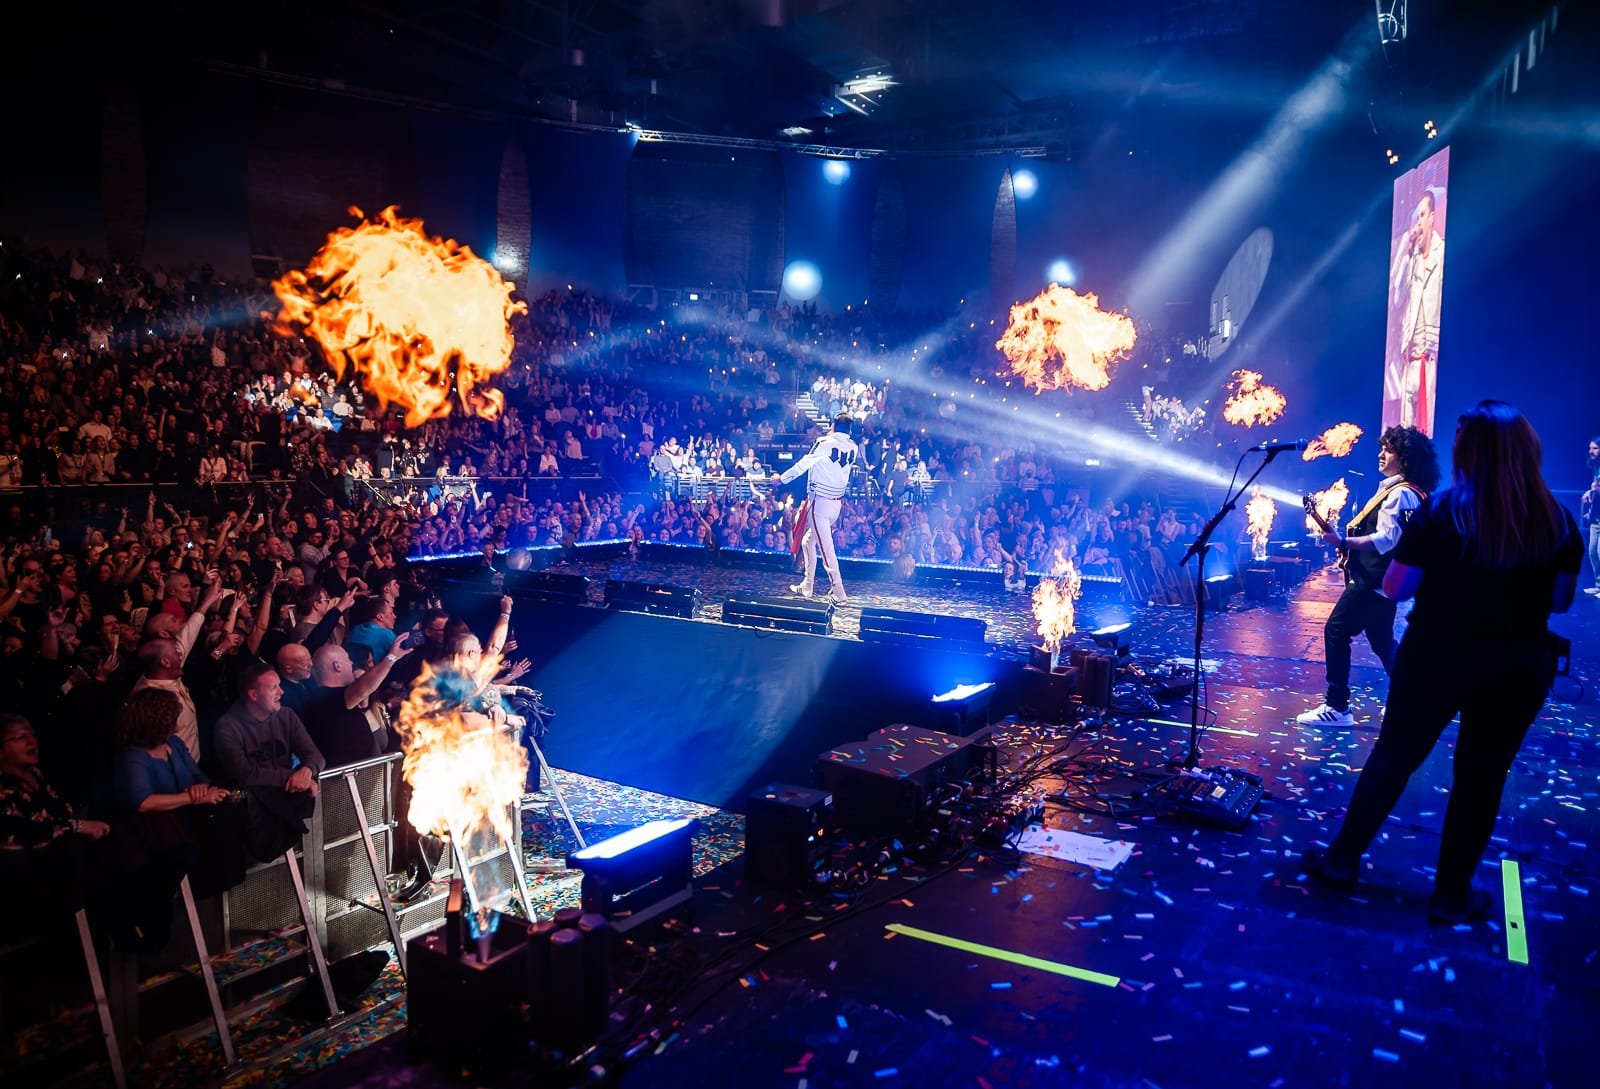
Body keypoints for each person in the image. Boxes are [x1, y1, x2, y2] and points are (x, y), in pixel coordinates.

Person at [1301, 402, 1580, 923]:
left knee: (1394, 756)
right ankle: (1450, 896)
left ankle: (1342, 862)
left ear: (1467, 453)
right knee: (1481, 775)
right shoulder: (1556, 519)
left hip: (1438, 655)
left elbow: (1396, 585)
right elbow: (1562, 599)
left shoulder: (1446, 510)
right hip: (1517, 666)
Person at [1297, 425, 1439, 727]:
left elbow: (1387, 539)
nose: (1380, 454)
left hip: (1374, 581)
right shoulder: (1408, 491)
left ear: (1403, 456)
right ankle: (1410, 700)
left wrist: (1344, 543)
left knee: (1336, 630)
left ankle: (1337, 707)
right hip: (1383, 583)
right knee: (1382, 641)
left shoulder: (1401, 493)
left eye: (1387, 450)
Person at [778, 415, 858, 605]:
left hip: (820, 504)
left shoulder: (823, 443)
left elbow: (804, 464)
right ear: (850, 430)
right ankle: (807, 585)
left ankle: (838, 591)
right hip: (835, 505)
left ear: (833, 426)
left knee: (826, 549)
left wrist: (782, 479)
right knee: (808, 542)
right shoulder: (853, 447)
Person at [1385, 188, 1445, 432]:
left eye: (1422, 215)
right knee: (1405, 427)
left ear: (1432, 216)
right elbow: (1398, 298)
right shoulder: (1414, 259)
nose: (1418, 223)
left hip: (1430, 355)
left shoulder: (1441, 253)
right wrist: (1408, 256)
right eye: (1416, 217)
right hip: (1409, 354)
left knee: (1425, 427)